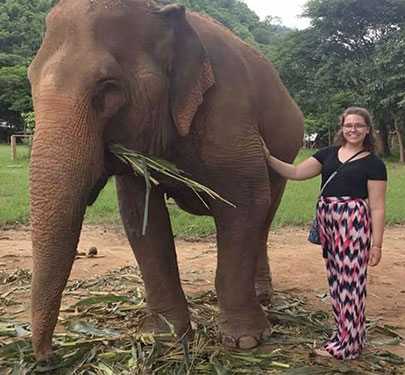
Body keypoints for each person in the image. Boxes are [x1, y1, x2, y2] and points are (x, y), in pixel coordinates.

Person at [262, 106, 387, 360]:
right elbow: (296, 172)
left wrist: (377, 244)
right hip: (329, 223)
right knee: (337, 282)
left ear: (367, 130)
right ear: (342, 128)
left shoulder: (374, 164)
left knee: (351, 283)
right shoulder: (327, 155)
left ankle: (347, 346)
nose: (353, 130)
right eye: (348, 125)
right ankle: (349, 337)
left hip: (353, 224)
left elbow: (377, 206)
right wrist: (267, 157)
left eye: (359, 126)